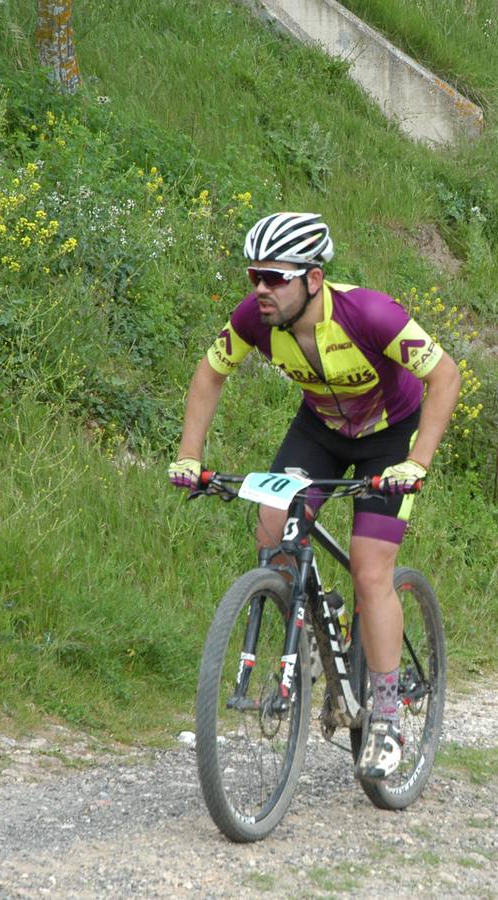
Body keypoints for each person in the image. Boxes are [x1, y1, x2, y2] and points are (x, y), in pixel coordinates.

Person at [168, 211, 461, 780]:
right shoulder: (255, 320)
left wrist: (416, 463)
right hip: (320, 432)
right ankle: (304, 634)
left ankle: (384, 714)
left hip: (389, 438)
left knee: (372, 570)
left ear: (313, 280)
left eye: (274, 277)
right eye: (254, 275)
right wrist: (189, 455)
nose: (260, 289)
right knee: (271, 527)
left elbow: (444, 376)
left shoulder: (370, 314)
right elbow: (209, 373)